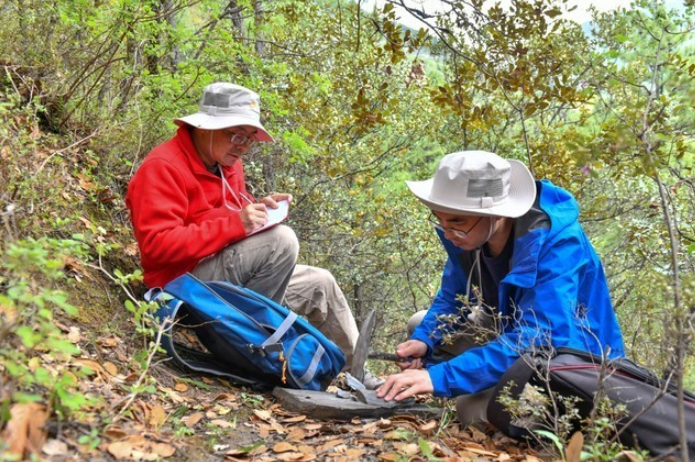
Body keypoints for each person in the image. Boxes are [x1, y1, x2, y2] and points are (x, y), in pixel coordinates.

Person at [126, 82, 383, 389]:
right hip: (182, 286)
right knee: (281, 241)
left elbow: (230, 213)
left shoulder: (226, 163)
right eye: (236, 135)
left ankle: (358, 376)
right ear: (206, 127)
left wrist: (260, 209)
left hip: (223, 277)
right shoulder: (163, 167)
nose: (242, 146)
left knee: (320, 283)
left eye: (249, 139)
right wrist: (236, 224)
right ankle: (258, 350)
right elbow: (156, 247)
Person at [377, 150, 625, 424]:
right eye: (439, 219)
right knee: (420, 324)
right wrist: (425, 340)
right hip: (510, 333)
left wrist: (439, 377)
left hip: (568, 357)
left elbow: (541, 337)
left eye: (457, 222)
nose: (447, 233)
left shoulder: (557, 244)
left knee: (473, 411)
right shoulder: (469, 238)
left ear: (496, 214)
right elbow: (452, 299)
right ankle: (480, 381)